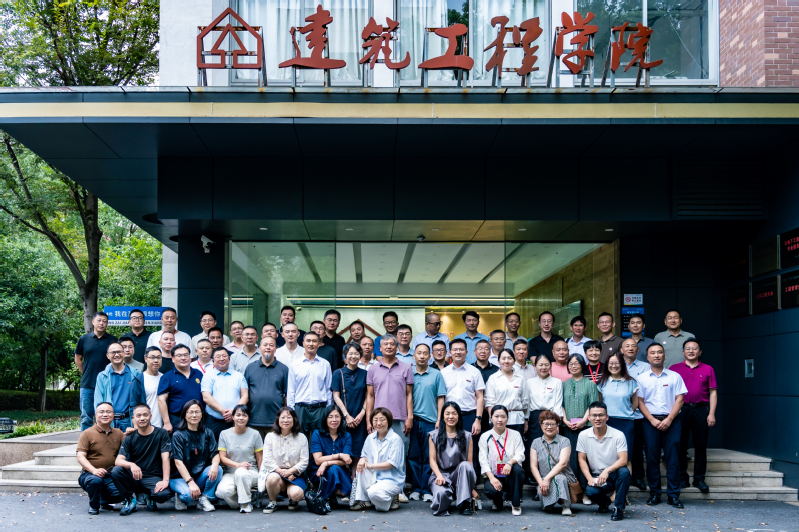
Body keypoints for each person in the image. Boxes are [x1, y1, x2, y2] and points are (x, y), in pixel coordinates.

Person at [637, 342, 687, 508]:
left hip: (671, 420)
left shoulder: (674, 376)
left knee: (673, 458)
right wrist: (652, 420)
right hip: (649, 421)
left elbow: (680, 399)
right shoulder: (642, 378)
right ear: (647, 357)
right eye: (653, 353)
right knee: (652, 458)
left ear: (664, 355)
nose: (656, 355)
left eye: (659, 352)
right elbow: (640, 401)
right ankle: (655, 494)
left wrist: (669, 419)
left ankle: (673, 495)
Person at [669, 338, 717, 492]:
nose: (691, 351)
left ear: (700, 352)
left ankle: (699, 479)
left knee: (701, 445)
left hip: (700, 409)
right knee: (680, 444)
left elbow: (713, 392)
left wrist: (711, 413)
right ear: (683, 352)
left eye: (694, 348)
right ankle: (682, 477)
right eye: (688, 348)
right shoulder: (674, 369)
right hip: (681, 409)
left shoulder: (708, 369)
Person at [365, 333, 414, 478]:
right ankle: (378, 483)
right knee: (379, 453)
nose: (389, 346)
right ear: (380, 348)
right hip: (378, 420)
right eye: (385, 344)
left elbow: (409, 394)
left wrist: (410, 417)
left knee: (400, 453)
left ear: (397, 347)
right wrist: (369, 419)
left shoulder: (406, 368)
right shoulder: (373, 369)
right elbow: (370, 396)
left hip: (400, 418)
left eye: (392, 344)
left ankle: (399, 486)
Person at [111, 403, 172, 515]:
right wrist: (131, 465)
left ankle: (150, 497)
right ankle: (130, 500)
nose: (142, 418)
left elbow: (165, 457)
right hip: (135, 476)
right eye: (138, 415)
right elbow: (118, 461)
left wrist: (165, 481)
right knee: (116, 471)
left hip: (153, 476)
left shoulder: (161, 433)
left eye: (145, 415)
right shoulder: (130, 437)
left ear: (150, 416)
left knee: (163, 495)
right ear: (133, 418)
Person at [576, 401, 630, 521]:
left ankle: (618, 508)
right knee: (591, 492)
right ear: (589, 417)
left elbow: (623, 459)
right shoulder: (583, 435)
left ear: (607, 417)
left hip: (614, 473)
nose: (597, 418)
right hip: (597, 476)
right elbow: (581, 459)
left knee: (624, 472)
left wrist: (607, 470)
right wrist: (589, 478)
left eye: (601, 415)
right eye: (594, 415)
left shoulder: (618, 434)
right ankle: (604, 503)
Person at [408, 343, 446, 502]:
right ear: (414, 356)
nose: (422, 356)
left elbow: (441, 398)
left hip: (431, 422)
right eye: (419, 353)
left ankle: (427, 489)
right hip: (413, 421)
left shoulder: (436, 374)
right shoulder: (408, 373)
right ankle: (416, 488)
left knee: (429, 456)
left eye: (425, 353)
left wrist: (439, 419)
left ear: (430, 357)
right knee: (414, 456)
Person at [169, 399, 221, 512]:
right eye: (190, 412)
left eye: (197, 412)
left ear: (202, 414)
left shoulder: (208, 433)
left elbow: (215, 454)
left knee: (219, 469)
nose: (194, 415)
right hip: (179, 478)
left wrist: (214, 465)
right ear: (185, 415)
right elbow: (178, 462)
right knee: (187, 496)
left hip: (199, 476)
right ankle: (180, 496)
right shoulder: (178, 435)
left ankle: (204, 497)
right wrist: (190, 482)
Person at [350, 407, 406, 512]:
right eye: (375, 420)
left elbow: (392, 463)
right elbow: (364, 455)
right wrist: (362, 460)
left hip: (391, 480)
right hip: (374, 476)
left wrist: (371, 465)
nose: (378, 423)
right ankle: (364, 501)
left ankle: (392, 497)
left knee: (373, 493)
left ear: (389, 421)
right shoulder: (370, 437)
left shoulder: (395, 439)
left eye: (382, 419)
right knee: (361, 467)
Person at [428, 402, 478, 516]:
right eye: (447, 413)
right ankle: (446, 499)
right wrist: (439, 475)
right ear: (442, 416)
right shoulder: (433, 436)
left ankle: (465, 504)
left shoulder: (467, 436)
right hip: (441, 476)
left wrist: (471, 488)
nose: (451, 417)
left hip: (460, 476)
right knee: (441, 495)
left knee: (465, 465)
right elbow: (432, 460)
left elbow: (469, 463)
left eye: (454, 413)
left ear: (459, 416)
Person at [562, 353, 599, 504]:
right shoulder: (564, 384)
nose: (574, 366)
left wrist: (584, 420)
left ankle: (585, 492)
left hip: (585, 427)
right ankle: (573, 491)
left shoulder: (590, 384)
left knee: (585, 459)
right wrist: (564, 420)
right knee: (570, 459)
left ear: (582, 365)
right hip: (568, 426)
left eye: (577, 363)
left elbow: (593, 405)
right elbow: (561, 404)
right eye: (571, 363)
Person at [524, 354, 565, 489]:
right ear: (535, 366)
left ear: (550, 366)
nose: (543, 367)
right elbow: (527, 403)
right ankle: (534, 478)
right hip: (534, 417)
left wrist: (557, 422)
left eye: (546, 364)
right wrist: (526, 420)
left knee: (550, 447)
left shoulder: (557, 382)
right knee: (535, 446)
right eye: (540, 364)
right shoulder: (530, 382)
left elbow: (558, 403)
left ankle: (549, 477)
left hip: (551, 416)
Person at [77, 402, 124, 515]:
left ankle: (103, 499)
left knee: (120, 495)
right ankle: (94, 506)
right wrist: (94, 470)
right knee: (95, 481)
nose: (105, 414)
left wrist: (132, 432)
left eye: (108, 412)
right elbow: (80, 456)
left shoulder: (118, 433)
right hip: (90, 474)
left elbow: (130, 447)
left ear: (113, 415)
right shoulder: (87, 433)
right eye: (101, 412)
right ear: (96, 415)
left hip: (110, 475)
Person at [259, 407, 309, 513]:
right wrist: (282, 472)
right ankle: (272, 502)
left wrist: (290, 471)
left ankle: (293, 500)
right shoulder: (270, 437)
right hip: (277, 473)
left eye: (289, 417)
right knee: (272, 478)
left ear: (294, 420)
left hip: (295, 475)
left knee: (297, 494)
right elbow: (267, 459)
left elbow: (304, 461)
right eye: (283, 417)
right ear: (278, 419)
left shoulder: (301, 437)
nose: (286, 420)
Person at [478, 405, 526, 516]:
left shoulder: (515, 435)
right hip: (494, 475)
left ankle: (516, 504)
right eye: (496, 416)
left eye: (503, 416)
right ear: (491, 418)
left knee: (518, 470)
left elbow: (520, 454)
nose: (500, 420)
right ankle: (498, 501)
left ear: (507, 418)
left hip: (511, 475)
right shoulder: (485, 437)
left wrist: (510, 463)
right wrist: (491, 478)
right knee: (492, 490)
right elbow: (483, 460)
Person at [75, 311, 118, 431]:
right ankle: (86, 440)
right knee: (86, 416)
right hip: (88, 384)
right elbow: (78, 359)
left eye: (104, 321)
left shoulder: (113, 340)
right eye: (99, 320)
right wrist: (86, 372)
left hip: (107, 384)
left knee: (107, 415)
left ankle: (106, 439)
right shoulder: (84, 339)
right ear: (93, 322)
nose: (101, 323)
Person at [216, 405, 263, 513]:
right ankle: (243, 501)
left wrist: (261, 478)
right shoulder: (224, 434)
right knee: (222, 491)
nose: (241, 418)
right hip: (231, 473)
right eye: (238, 415)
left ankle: (245, 504)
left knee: (241, 472)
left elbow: (260, 459)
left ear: (248, 418)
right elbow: (222, 457)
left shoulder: (255, 434)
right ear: (233, 417)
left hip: (250, 472)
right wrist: (238, 465)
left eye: (244, 415)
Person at [597, 353, 639, 468]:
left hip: (626, 423)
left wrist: (626, 412)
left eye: (617, 363)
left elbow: (635, 403)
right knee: (608, 456)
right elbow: (600, 404)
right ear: (607, 365)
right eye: (611, 363)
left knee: (626, 458)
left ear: (622, 364)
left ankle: (626, 480)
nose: (614, 365)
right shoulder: (602, 382)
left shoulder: (631, 382)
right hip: (607, 422)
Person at [287, 332, 333, 437]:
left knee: (320, 439)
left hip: (320, 409)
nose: (311, 344)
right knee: (299, 439)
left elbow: (328, 389)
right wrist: (292, 411)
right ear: (303, 343)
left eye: (314, 341)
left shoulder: (325, 364)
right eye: (308, 341)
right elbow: (291, 390)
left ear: (318, 344)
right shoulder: (295, 364)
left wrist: (328, 410)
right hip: (300, 409)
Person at [530, 410, 575, 516]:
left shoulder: (564, 441)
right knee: (547, 508)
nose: (549, 427)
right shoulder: (536, 442)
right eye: (546, 424)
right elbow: (533, 466)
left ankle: (565, 505)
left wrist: (547, 479)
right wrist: (541, 482)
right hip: (544, 479)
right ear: (541, 425)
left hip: (564, 477)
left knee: (559, 478)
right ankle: (551, 500)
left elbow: (563, 463)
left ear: (557, 425)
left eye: (552, 424)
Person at [332, 343, 368, 473]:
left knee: (358, 449)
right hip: (343, 417)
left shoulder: (365, 373)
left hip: (360, 418)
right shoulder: (338, 373)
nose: (353, 356)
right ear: (345, 356)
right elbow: (336, 396)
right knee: (344, 449)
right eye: (350, 354)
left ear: (360, 356)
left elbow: (368, 396)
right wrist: (346, 415)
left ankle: (356, 478)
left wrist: (362, 413)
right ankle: (345, 479)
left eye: (356, 354)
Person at [245, 336, 289, 441]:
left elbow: (287, 394)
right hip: (253, 419)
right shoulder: (250, 367)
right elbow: (244, 393)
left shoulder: (283, 369)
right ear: (260, 348)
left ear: (276, 349)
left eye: (271, 345)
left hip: (276, 420)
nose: (268, 347)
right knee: (256, 450)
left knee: (275, 449)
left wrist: (285, 415)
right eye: (265, 345)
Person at [620, 337, 650, 491]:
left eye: (633, 346)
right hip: (619, 414)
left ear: (638, 350)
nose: (630, 348)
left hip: (638, 414)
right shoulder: (617, 365)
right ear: (621, 350)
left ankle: (638, 477)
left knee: (637, 447)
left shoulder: (646, 367)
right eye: (627, 346)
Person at [440, 338, 485, 437]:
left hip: (469, 416)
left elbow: (480, 397)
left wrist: (478, 420)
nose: (458, 352)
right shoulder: (443, 373)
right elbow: (441, 397)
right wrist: (440, 419)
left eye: (461, 349)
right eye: (455, 350)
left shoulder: (474, 372)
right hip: (449, 417)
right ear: (450, 352)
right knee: (449, 445)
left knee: (470, 445)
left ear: (466, 352)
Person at [201, 347, 249, 440]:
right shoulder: (208, 376)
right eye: (218, 356)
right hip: (214, 421)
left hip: (236, 421)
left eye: (224, 356)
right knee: (213, 446)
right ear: (212, 360)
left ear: (229, 358)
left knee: (235, 445)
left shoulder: (239, 376)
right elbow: (206, 397)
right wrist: (223, 411)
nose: (221, 359)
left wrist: (234, 411)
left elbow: (245, 396)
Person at [310, 405, 353, 507]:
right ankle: (325, 497)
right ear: (325, 419)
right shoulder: (317, 434)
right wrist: (339, 455)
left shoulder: (347, 436)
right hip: (319, 473)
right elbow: (317, 460)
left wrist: (326, 463)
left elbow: (346, 461)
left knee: (343, 488)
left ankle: (329, 493)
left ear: (341, 419)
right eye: (330, 417)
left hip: (340, 471)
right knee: (334, 468)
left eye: (337, 416)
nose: (334, 420)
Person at [157, 344, 204, 432]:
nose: (183, 358)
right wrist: (166, 422)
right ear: (173, 359)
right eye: (179, 355)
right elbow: (161, 400)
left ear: (190, 357)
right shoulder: (167, 377)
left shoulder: (198, 373)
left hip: (198, 418)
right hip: (177, 420)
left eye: (186, 355)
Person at [94, 342, 140, 431]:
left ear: (124, 353)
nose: (117, 355)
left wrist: (136, 423)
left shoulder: (135, 374)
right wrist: (100, 423)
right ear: (108, 355)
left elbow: (140, 399)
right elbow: (98, 401)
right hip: (109, 422)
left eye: (119, 352)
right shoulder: (102, 376)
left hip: (128, 421)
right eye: (113, 352)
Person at [485, 350, 528, 436]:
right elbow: (489, 402)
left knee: (515, 443)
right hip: (498, 420)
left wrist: (525, 420)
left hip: (517, 420)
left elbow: (525, 401)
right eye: (503, 358)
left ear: (514, 361)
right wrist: (493, 419)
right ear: (498, 361)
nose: (506, 361)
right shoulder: (493, 378)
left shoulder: (520, 378)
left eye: (509, 358)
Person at [131, 346, 164, 428]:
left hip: (163, 427)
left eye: (158, 357)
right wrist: (135, 425)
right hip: (145, 426)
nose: (156, 360)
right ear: (145, 359)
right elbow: (133, 404)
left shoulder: (165, 378)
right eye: (152, 357)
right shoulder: (138, 380)